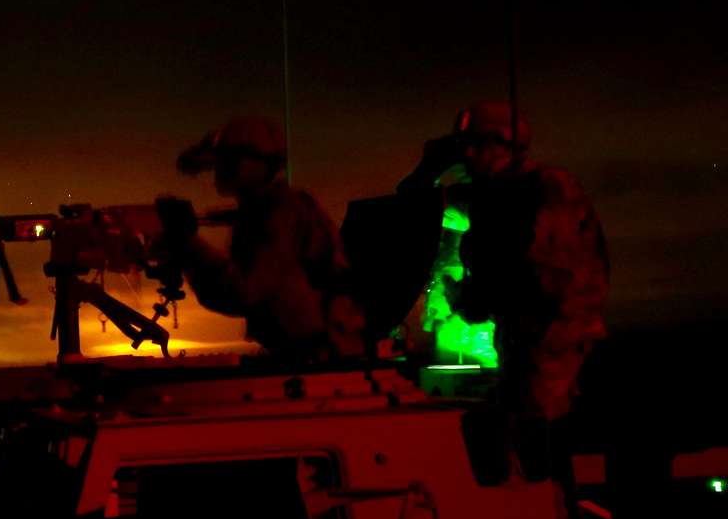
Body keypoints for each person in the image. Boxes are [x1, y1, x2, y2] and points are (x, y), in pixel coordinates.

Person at [403, 102, 609, 424]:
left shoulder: (546, 191)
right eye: (464, 147)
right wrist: (428, 169)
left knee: (533, 434)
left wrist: (469, 299)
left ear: (506, 145)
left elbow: (543, 277)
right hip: (522, 339)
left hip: (550, 343)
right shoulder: (490, 194)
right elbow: (419, 208)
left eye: (478, 145)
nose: (468, 156)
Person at [166, 116, 363, 361]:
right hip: (302, 353)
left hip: (318, 357)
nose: (220, 170)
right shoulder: (262, 211)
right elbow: (232, 296)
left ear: (257, 163)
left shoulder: (283, 211)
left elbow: (245, 292)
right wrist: (187, 249)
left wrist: (189, 244)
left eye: (230, 161)